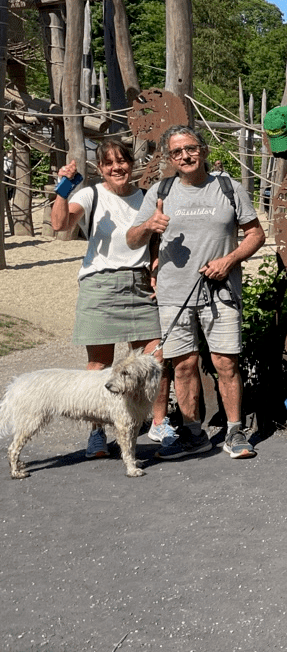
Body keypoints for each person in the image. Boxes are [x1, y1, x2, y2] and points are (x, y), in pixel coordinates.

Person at [127, 126, 266, 460]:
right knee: (183, 366)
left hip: (221, 292)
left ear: (202, 151)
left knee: (225, 362)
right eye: (177, 152)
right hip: (174, 295)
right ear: (170, 158)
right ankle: (194, 434)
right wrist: (149, 226)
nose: (185, 156)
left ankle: (234, 430)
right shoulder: (160, 192)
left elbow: (255, 234)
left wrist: (230, 260)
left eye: (190, 148)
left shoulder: (227, 187)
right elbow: (131, 239)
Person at [50, 142, 167, 458]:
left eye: (122, 161)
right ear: (100, 168)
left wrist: (155, 269)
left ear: (132, 164)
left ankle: (157, 423)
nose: (117, 167)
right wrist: (63, 190)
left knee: (154, 359)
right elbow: (60, 224)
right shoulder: (91, 195)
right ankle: (97, 432)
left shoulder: (145, 197)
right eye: (109, 163)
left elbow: (154, 241)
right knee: (99, 365)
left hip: (140, 283)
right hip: (100, 284)